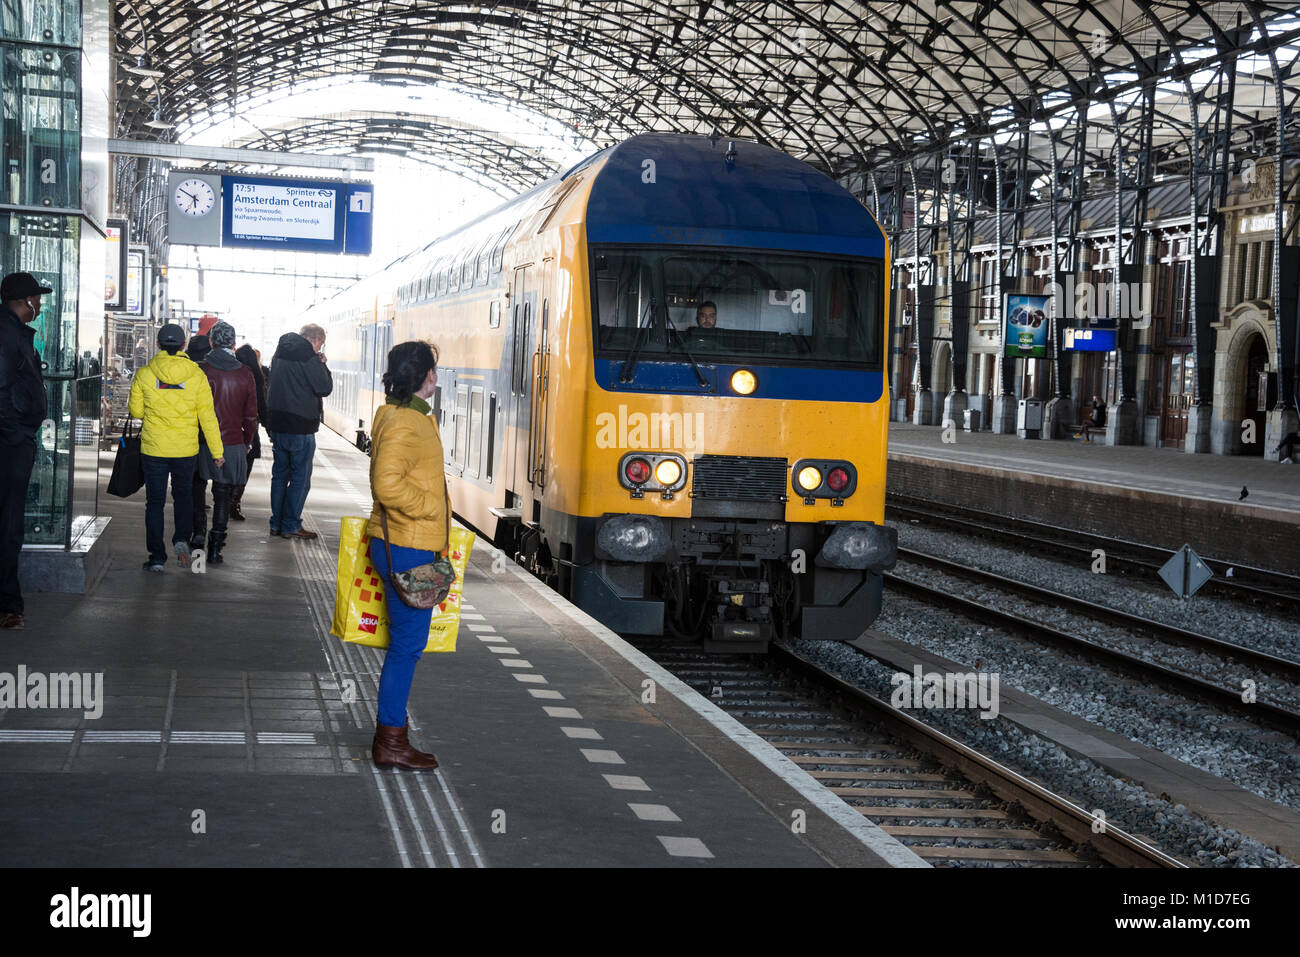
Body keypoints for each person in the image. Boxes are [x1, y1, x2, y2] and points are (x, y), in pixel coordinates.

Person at [368, 340, 448, 771]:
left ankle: (391, 736)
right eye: (432, 370)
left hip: (401, 542)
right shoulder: (407, 423)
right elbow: (387, 486)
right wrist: (433, 507)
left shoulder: (400, 414)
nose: (437, 377)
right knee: (407, 648)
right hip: (407, 545)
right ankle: (391, 741)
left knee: (403, 644)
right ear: (422, 377)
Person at [128, 324, 224, 571]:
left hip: (154, 450)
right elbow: (208, 417)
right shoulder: (196, 375)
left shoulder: (145, 374)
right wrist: (217, 452)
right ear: (183, 346)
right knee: (183, 498)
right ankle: (181, 538)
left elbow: (136, 411)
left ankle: (157, 558)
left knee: (155, 502)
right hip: (185, 450)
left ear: (158, 344)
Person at [0, 272, 51, 630]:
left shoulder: (13, 332)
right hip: (9, 444)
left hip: (13, 439)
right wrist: (14, 433)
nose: (40, 305)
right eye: (37, 299)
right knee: (8, 525)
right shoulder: (7, 334)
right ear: (26, 302)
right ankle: (8, 604)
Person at [266, 323, 332, 540]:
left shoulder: (280, 352)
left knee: (279, 475)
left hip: (277, 424)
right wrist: (322, 364)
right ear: (314, 340)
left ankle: (276, 523)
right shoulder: (308, 357)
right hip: (300, 425)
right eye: (320, 344)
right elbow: (324, 387)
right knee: (300, 478)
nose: (319, 348)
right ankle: (291, 524)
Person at [198, 323, 256, 564]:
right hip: (232, 442)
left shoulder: (201, 370)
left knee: (196, 492)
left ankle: (196, 543)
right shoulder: (245, 374)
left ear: (211, 342)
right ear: (233, 344)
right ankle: (214, 549)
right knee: (222, 495)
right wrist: (247, 441)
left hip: (200, 441)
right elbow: (250, 415)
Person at [231, 344, 268, 520]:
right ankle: (234, 503)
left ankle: (225, 502)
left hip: (228, 429)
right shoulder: (256, 379)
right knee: (245, 468)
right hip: (249, 431)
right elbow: (261, 407)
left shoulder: (230, 375)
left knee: (227, 468)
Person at [185, 333, 213, 550]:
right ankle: (201, 531)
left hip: (183, 436)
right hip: (204, 437)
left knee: (188, 486)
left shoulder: (183, 371)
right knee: (199, 484)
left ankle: (192, 530)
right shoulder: (208, 373)